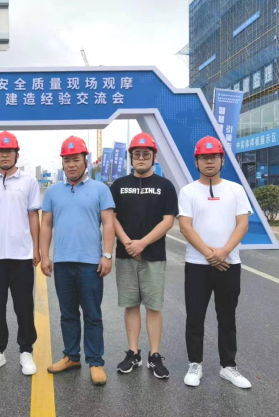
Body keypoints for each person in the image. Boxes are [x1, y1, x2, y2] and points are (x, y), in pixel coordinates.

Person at [178, 136, 252, 389]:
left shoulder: (235, 190)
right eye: (203, 157)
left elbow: (242, 224)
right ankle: (194, 364)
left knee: (227, 316)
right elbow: (185, 227)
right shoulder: (188, 191)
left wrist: (224, 252)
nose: (209, 162)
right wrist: (210, 254)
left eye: (213, 157)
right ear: (196, 162)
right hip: (196, 264)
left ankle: (228, 366)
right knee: (195, 316)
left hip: (229, 264)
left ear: (222, 160)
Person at [41, 136, 115, 386]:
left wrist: (107, 255)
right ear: (62, 163)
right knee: (68, 313)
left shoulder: (100, 189)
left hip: (90, 263)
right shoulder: (53, 191)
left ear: (86, 160)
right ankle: (71, 356)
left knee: (92, 314)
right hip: (63, 262)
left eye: (75, 159)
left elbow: (108, 223)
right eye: (67, 160)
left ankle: (95, 361)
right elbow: (46, 225)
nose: (71, 164)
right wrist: (45, 255)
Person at [110, 133, 178, 379]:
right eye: (136, 154)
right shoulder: (118, 185)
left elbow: (168, 220)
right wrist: (128, 243)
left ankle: (154, 355)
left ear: (153, 157)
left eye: (146, 154)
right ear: (130, 157)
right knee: (131, 305)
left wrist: (143, 244)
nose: (141, 158)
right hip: (125, 255)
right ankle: (133, 353)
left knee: (153, 306)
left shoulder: (165, 186)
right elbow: (111, 218)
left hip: (154, 256)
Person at [0, 131, 41, 376]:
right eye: (0, 152)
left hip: (21, 255)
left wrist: (36, 248)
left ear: (16, 154)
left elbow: (33, 216)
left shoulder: (29, 181)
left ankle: (26, 351)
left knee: (24, 306)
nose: (5, 155)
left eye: (9, 151)